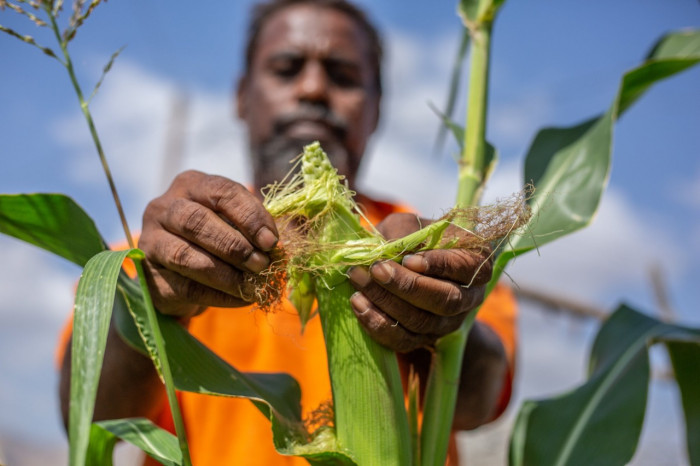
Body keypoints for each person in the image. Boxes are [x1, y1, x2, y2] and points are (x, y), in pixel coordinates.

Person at [57, 0, 517, 464]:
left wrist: (444, 321)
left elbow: (484, 398)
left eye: (343, 76)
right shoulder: (164, 249)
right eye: (286, 69)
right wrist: (153, 304)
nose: (314, 89)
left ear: (376, 110)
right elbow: (88, 414)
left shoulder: (441, 250)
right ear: (241, 97)